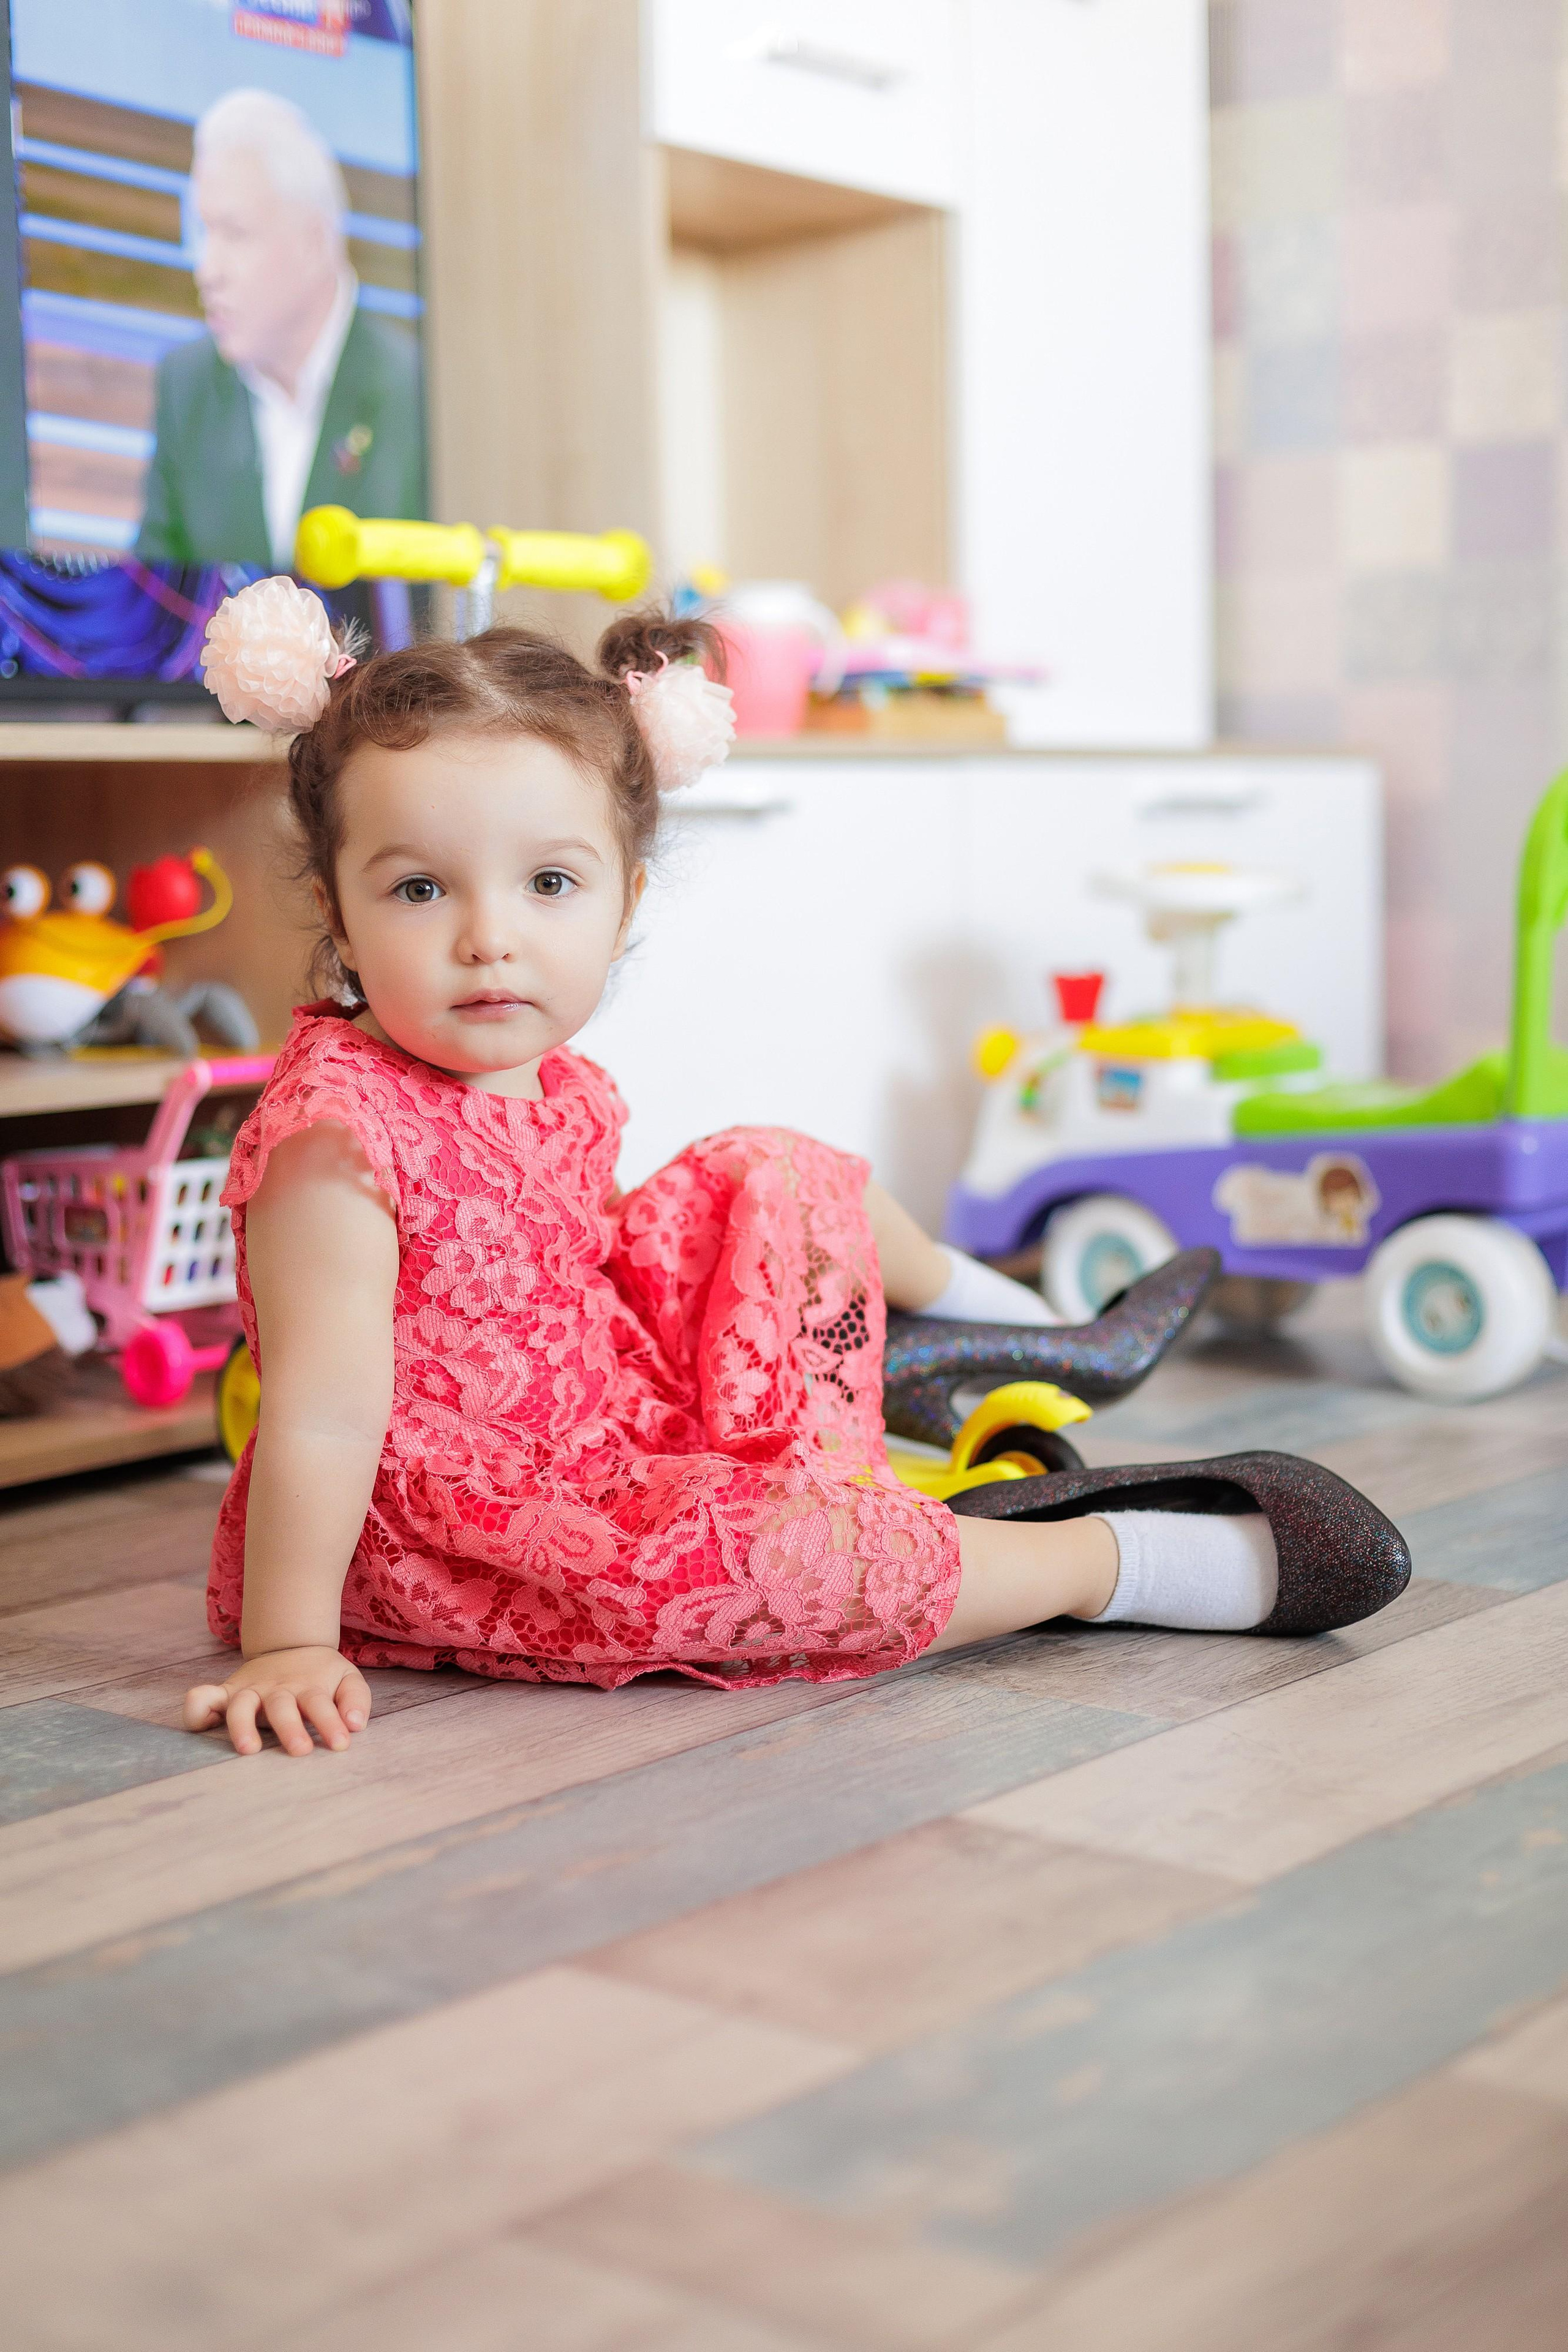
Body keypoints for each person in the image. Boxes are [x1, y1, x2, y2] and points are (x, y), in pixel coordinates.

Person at [183, 580, 1410, 1758]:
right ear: (339, 915)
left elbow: (558, 1251)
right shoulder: (335, 1141)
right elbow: (323, 1414)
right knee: (766, 1561)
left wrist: (712, 1276)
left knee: (768, 1167)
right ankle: (1100, 1565)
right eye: (418, 889)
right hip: (484, 1524)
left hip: (607, 1392)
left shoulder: (540, 1070)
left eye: (549, 882)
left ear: (623, 903)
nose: (489, 937)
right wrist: (291, 1641)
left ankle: (1017, 1331)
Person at [136, 89, 424, 570]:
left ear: (313, 241)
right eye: (204, 232)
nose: (207, 271)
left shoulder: (412, 392)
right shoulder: (186, 385)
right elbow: (155, 589)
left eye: (235, 233)